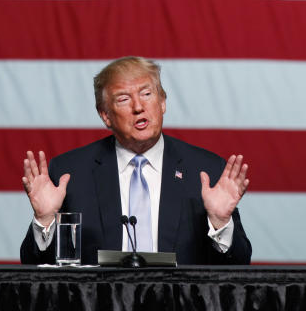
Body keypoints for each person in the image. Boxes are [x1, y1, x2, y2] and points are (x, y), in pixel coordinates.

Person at [20, 56, 252, 265]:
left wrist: (221, 223)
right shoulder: (70, 173)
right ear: (105, 115)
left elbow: (239, 265)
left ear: (162, 102)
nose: (138, 107)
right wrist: (45, 220)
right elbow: (34, 269)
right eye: (123, 99)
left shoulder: (205, 170)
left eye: (146, 94)